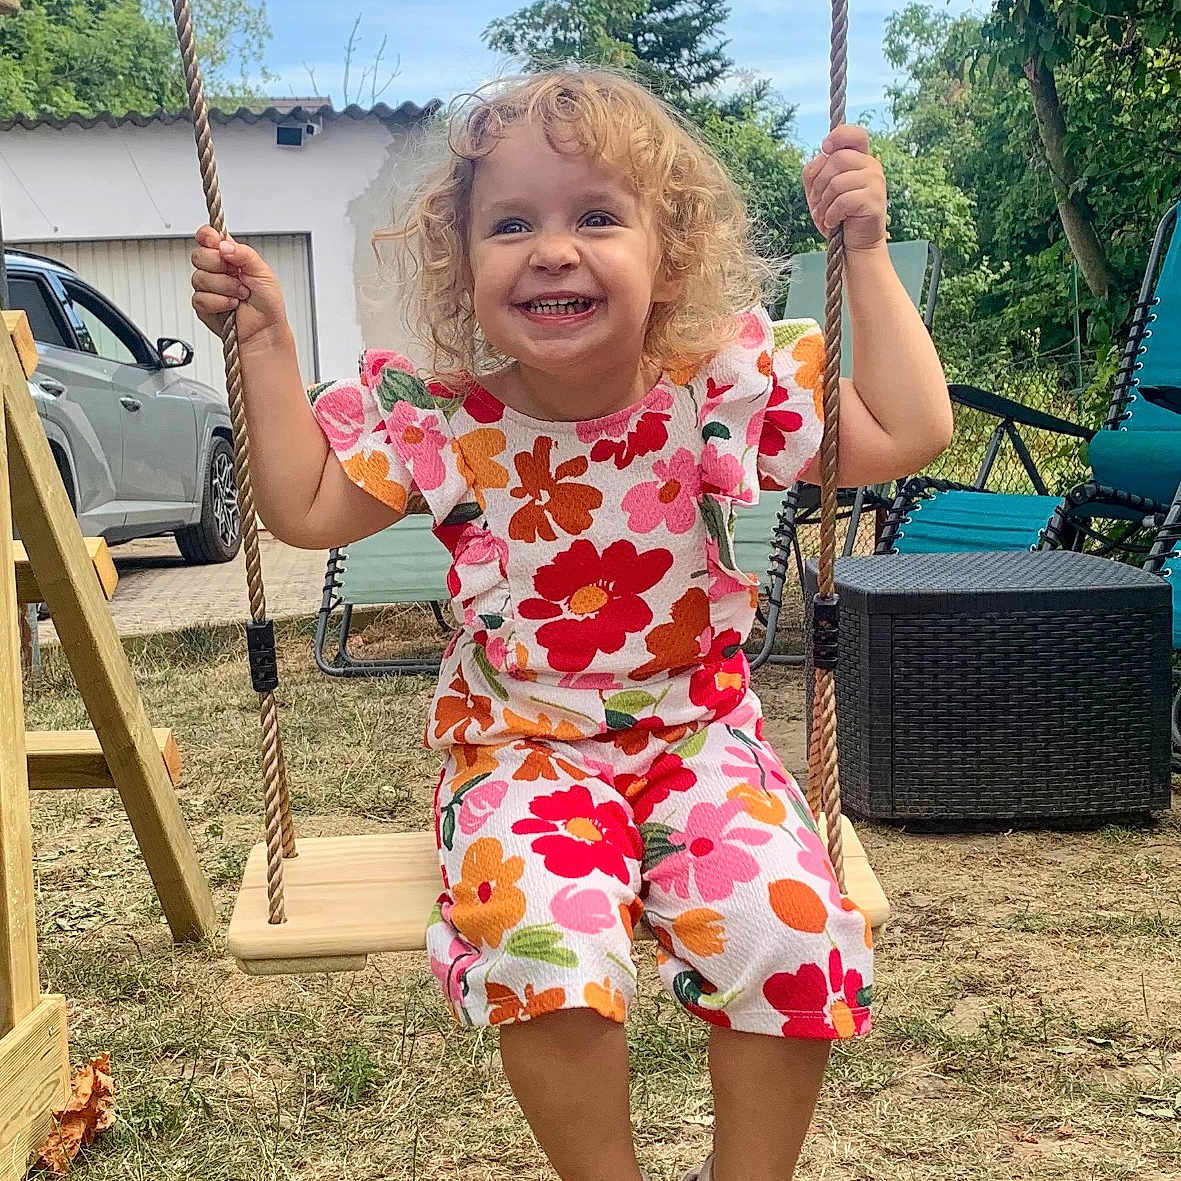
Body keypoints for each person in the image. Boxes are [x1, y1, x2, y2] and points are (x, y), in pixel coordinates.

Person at [191, 68, 951, 1181]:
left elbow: (909, 428)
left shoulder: (714, 388)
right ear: (464, 265)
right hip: (520, 750)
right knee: (547, 940)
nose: (551, 249)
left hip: (699, 740)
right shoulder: (445, 416)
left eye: (596, 217)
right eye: (511, 225)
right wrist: (262, 342)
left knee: (790, 926)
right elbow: (304, 508)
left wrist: (864, 254)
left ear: (668, 259)